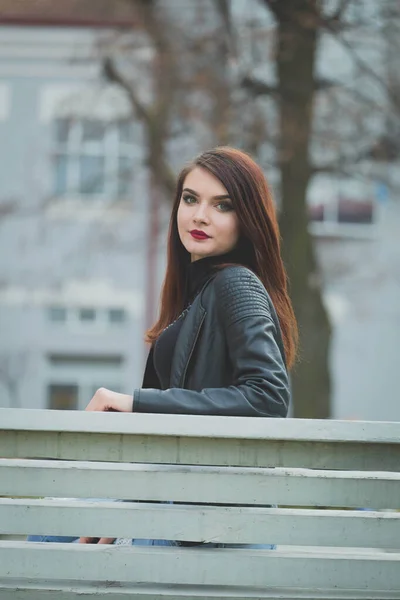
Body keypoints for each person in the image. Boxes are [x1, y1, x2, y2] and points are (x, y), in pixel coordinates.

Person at [29, 146, 298, 547]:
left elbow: (269, 395)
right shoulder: (197, 293)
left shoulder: (235, 284)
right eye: (190, 199)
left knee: (48, 537)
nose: (199, 215)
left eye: (221, 205)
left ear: (248, 219)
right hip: (190, 508)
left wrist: (135, 403)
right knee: (54, 530)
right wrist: (126, 507)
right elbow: (175, 445)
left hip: (213, 522)